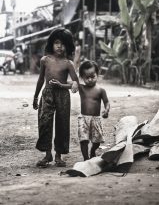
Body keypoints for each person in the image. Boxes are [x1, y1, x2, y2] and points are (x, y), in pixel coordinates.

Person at [32, 28, 79, 168]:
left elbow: (76, 84)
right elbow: (40, 80)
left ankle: (58, 156)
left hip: (63, 95)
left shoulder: (68, 63)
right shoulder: (44, 60)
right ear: (52, 44)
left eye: (63, 44)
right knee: (44, 122)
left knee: (62, 124)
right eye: (57, 42)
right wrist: (35, 97)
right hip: (47, 94)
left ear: (68, 46)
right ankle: (47, 154)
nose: (60, 46)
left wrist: (63, 85)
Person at [78, 60, 110, 161]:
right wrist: (60, 84)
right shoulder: (82, 88)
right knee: (84, 140)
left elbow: (106, 102)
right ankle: (86, 159)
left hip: (96, 119)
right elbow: (70, 83)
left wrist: (106, 110)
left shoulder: (101, 90)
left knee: (97, 142)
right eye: (87, 77)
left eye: (93, 76)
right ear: (82, 77)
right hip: (83, 119)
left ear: (97, 75)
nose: (90, 79)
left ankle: (92, 151)